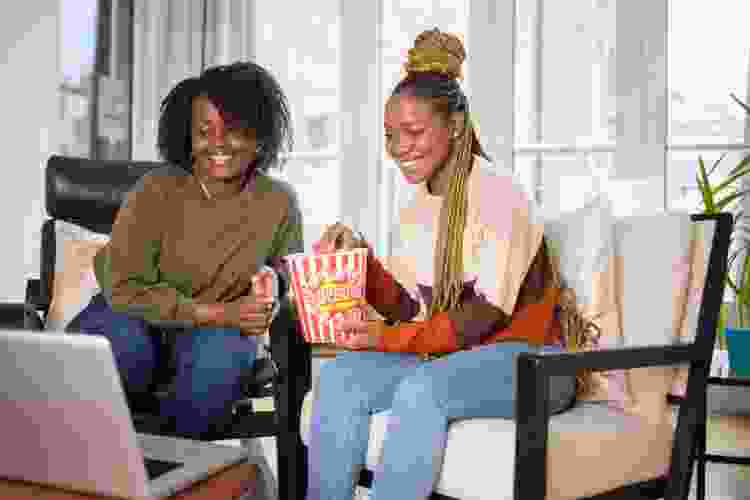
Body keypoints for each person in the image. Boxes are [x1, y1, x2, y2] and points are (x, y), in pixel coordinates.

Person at [306, 29, 600, 500]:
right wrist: (358, 261)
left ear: (457, 125)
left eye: (414, 132)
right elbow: (408, 308)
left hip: (533, 363)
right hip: (456, 358)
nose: (399, 147)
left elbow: (481, 317)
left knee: (423, 388)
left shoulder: (500, 194)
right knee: (342, 376)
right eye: (390, 135)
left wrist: (388, 339)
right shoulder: (418, 203)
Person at [68, 61, 303, 439]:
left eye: (233, 130)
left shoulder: (279, 203)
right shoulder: (154, 190)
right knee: (121, 348)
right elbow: (126, 289)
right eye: (204, 131)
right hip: (133, 314)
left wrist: (271, 285)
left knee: (218, 364)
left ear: (260, 137)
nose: (218, 143)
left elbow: (285, 271)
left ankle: (176, 475)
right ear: (187, 136)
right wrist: (219, 312)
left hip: (219, 329)